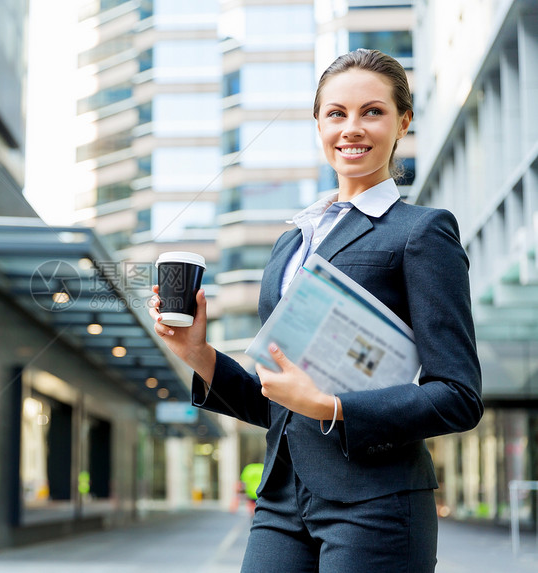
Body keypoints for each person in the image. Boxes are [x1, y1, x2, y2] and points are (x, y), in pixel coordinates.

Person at [149, 49, 483, 573]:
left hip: (378, 503)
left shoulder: (422, 231)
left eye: (372, 111)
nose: (352, 128)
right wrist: (198, 353)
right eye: (336, 113)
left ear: (404, 122)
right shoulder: (292, 241)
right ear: (319, 123)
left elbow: (458, 397)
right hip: (282, 500)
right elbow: (280, 403)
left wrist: (334, 407)